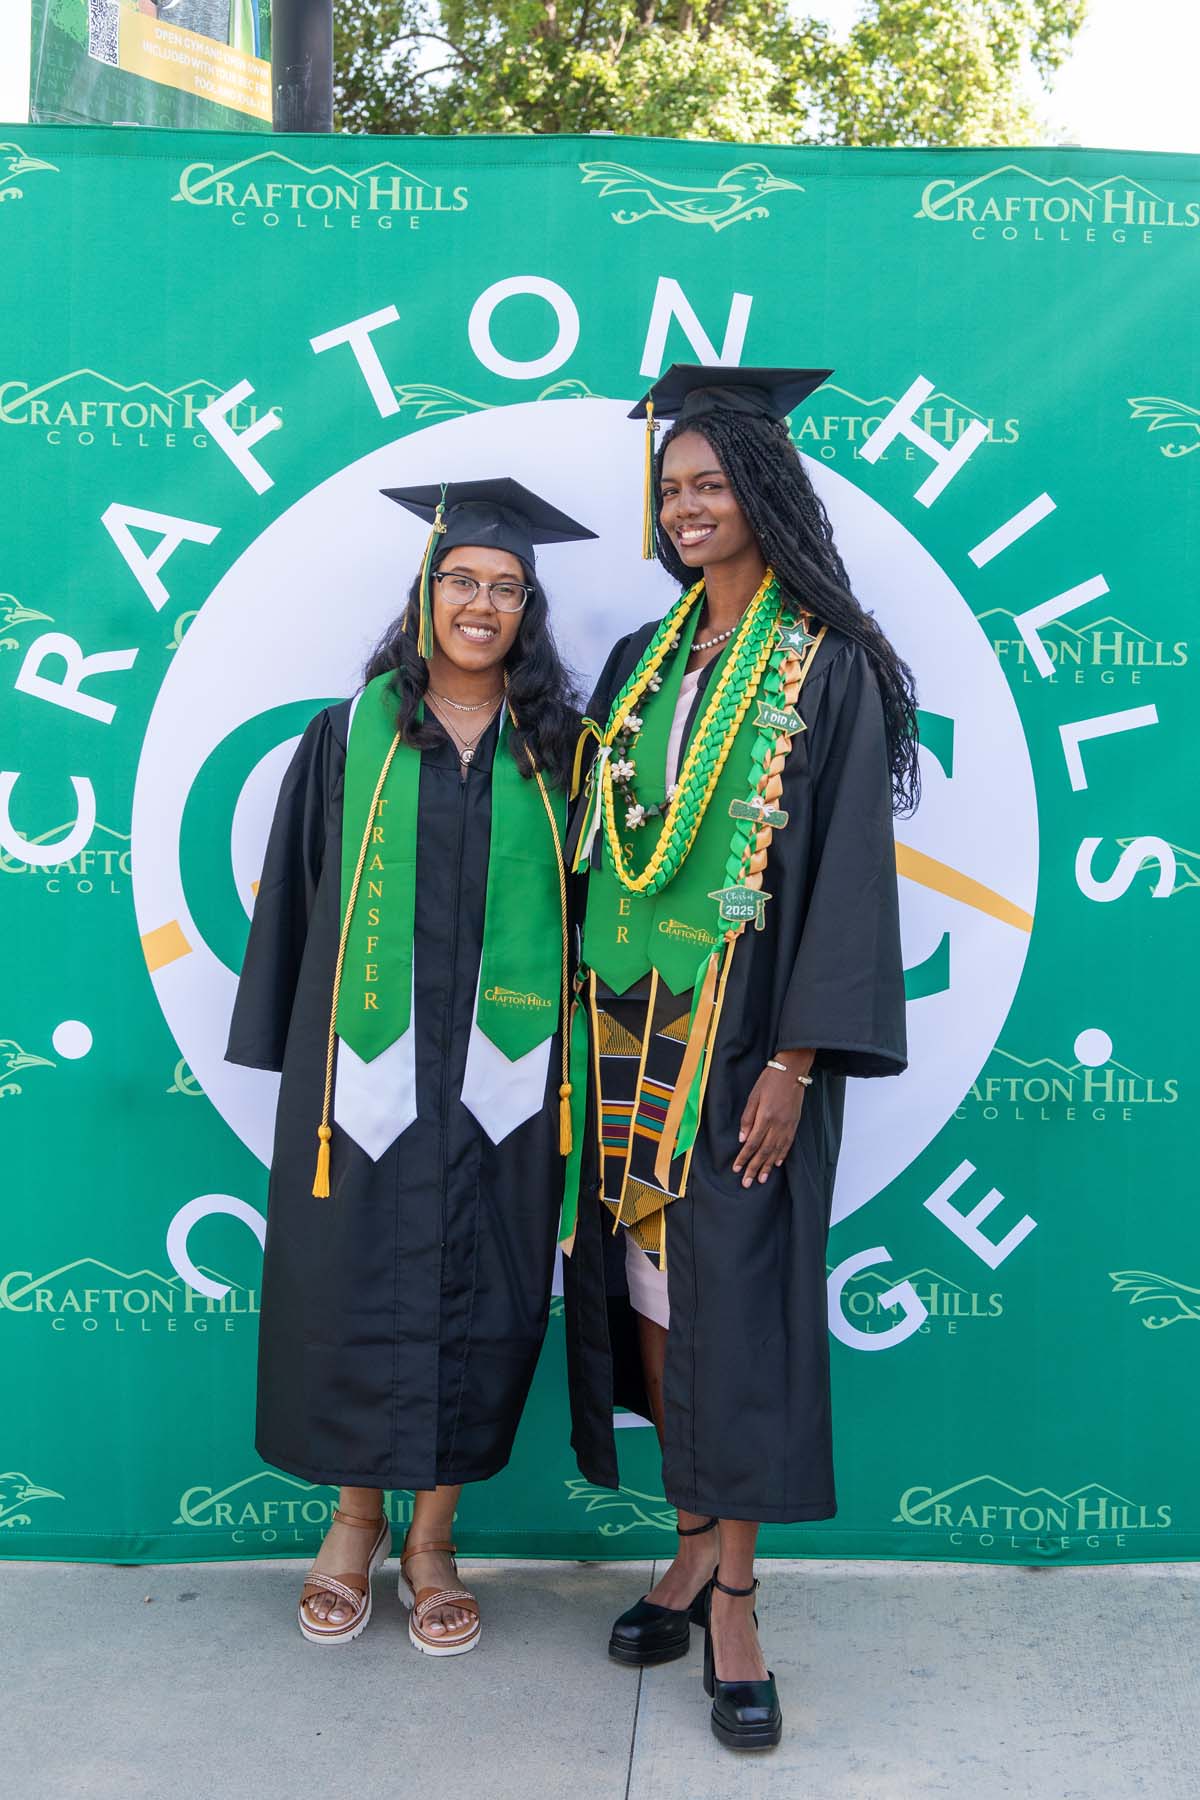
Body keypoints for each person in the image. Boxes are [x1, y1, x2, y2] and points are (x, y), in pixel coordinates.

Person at [564, 365, 915, 1748]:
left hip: (748, 1039)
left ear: (764, 493)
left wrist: (795, 1061)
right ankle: (691, 1541)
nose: (688, 506)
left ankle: (738, 1599)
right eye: (672, 489)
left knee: (745, 1304)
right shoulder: (646, 660)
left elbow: (846, 875)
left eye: (711, 485)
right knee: (653, 1291)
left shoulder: (825, 663)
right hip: (621, 1035)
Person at [226, 478, 595, 1655]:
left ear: (528, 611)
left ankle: (434, 1540)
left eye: (506, 588)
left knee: (482, 1294)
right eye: (463, 582)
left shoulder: (564, 755)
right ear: (425, 593)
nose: (482, 605)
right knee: (348, 1286)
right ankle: (350, 1529)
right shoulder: (347, 738)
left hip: (506, 1078)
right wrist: (288, 1052)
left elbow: (603, 918)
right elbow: (295, 897)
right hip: (362, 1077)